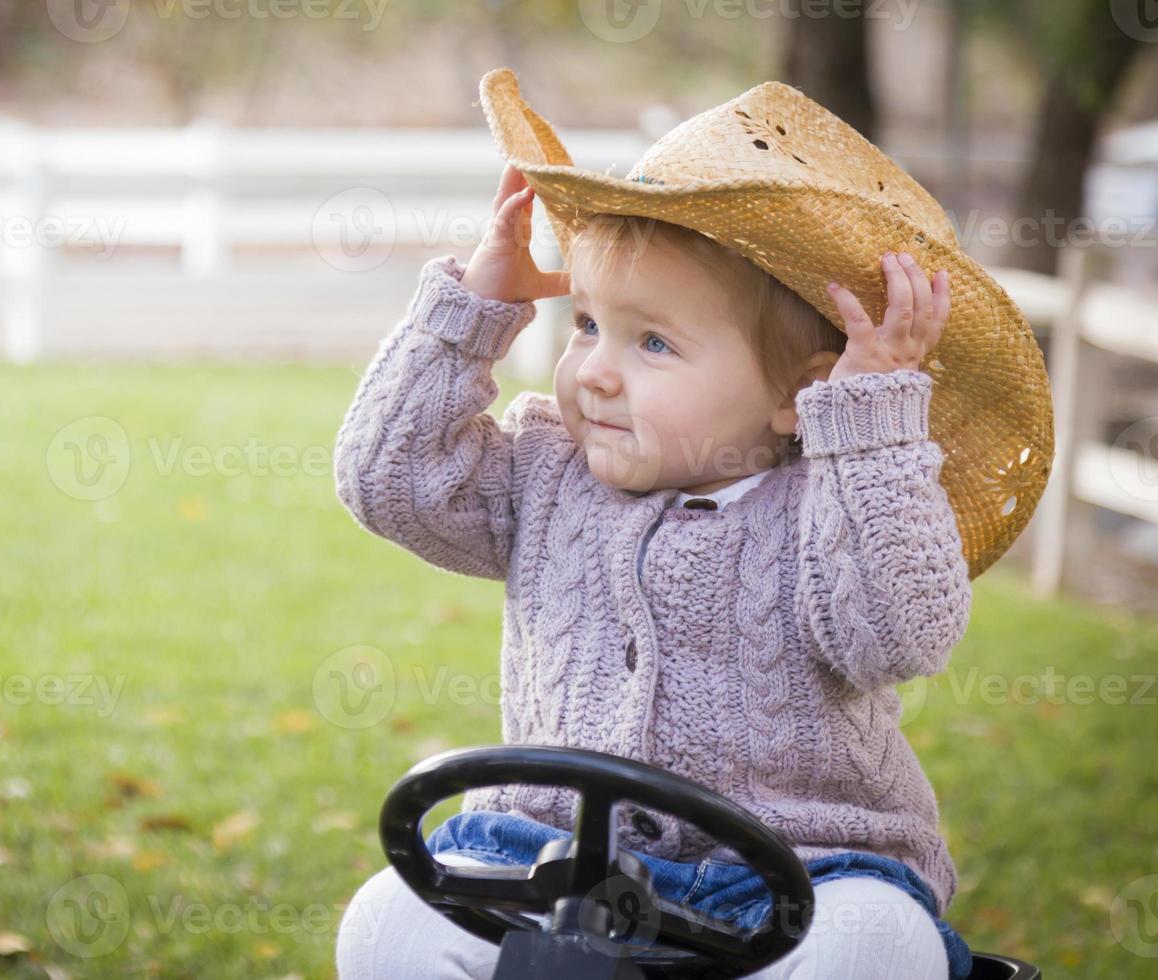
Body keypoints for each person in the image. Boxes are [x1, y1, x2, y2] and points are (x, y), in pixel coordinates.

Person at [331, 68, 1052, 980]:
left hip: (793, 873)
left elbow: (899, 632)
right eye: (587, 324)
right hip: (545, 853)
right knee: (385, 921)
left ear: (802, 393)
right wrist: (472, 314)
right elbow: (386, 481)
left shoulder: (829, 508)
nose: (593, 370)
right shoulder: (543, 473)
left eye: (653, 343)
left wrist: (868, 429)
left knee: (878, 945)